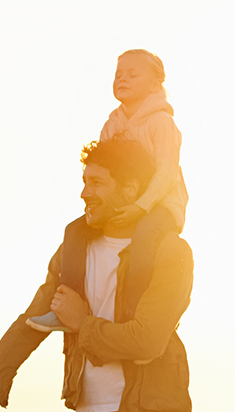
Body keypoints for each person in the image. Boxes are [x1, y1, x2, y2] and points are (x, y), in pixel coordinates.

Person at [0, 138, 192, 412]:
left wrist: (82, 323)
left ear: (129, 189)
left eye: (96, 183)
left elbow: (147, 340)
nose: (84, 192)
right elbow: (33, 321)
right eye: (84, 181)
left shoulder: (170, 252)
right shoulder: (74, 252)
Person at [29, 49, 185, 333]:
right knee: (75, 231)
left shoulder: (162, 122)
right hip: (122, 199)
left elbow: (167, 172)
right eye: (118, 75)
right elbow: (104, 164)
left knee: (145, 235)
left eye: (132, 74)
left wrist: (142, 207)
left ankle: (134, 313)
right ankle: (67, 307)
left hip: (160, 204)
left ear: (155, 83)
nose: (122, 79)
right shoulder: (113, 123)